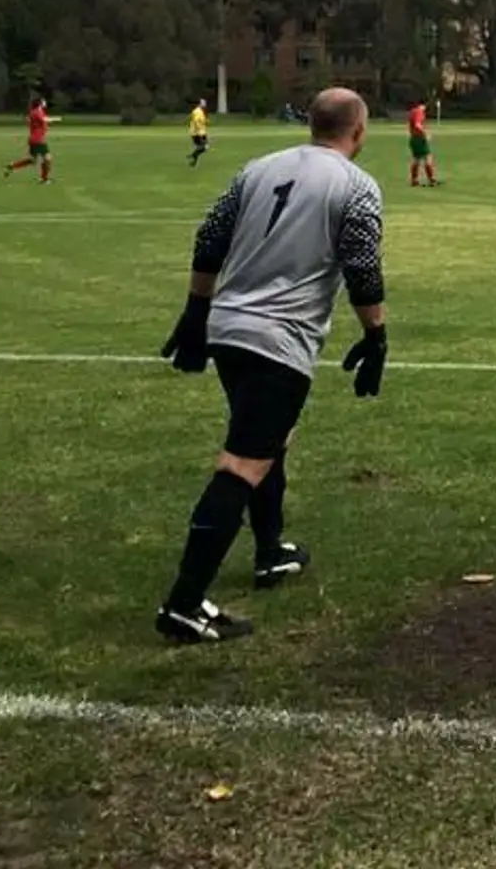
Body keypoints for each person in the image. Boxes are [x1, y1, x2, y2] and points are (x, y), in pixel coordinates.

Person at [153, 87, 388, 644]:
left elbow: (210, 237)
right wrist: (376, 334)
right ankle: (184, 604)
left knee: (271, 441)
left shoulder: (259, 167)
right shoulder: (357, 186)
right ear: (358, 131)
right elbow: (361, 266)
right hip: (277, 339)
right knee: (243, 462)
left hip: (229, 329)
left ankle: (269, 550)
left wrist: (195, 313)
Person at [4, 94, 55, 183]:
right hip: (38, 139)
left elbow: (29, 120)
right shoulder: (37, 112)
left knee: (33, 160)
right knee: (47, 158)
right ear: (40, 103)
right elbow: (44, 120)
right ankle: (44, 179)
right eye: (43, 101)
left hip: (34, 139)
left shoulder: (37, 111)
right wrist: (56, 119)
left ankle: (12, 166)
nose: (45, 102)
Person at [406, 99, 438, 187]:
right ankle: (432, 179)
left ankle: (414, 180)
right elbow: (417, 124)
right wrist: (425, 133)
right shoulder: (419, 112)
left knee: (416, 159)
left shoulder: (412, 111)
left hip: (413, 138)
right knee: (428, 157)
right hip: (420, 139)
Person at [188, 98, 212, 168]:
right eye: (204, 104)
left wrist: (206, 121)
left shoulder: (200, 111)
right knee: (205, 147)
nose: (205, 105)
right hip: (198, 133)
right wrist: (199, 132)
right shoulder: (197, 111)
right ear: (201, 104)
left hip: (199, 132)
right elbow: (196, 121)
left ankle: (193, 162)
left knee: (200, 147)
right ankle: (193, 155)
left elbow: (201, 121)